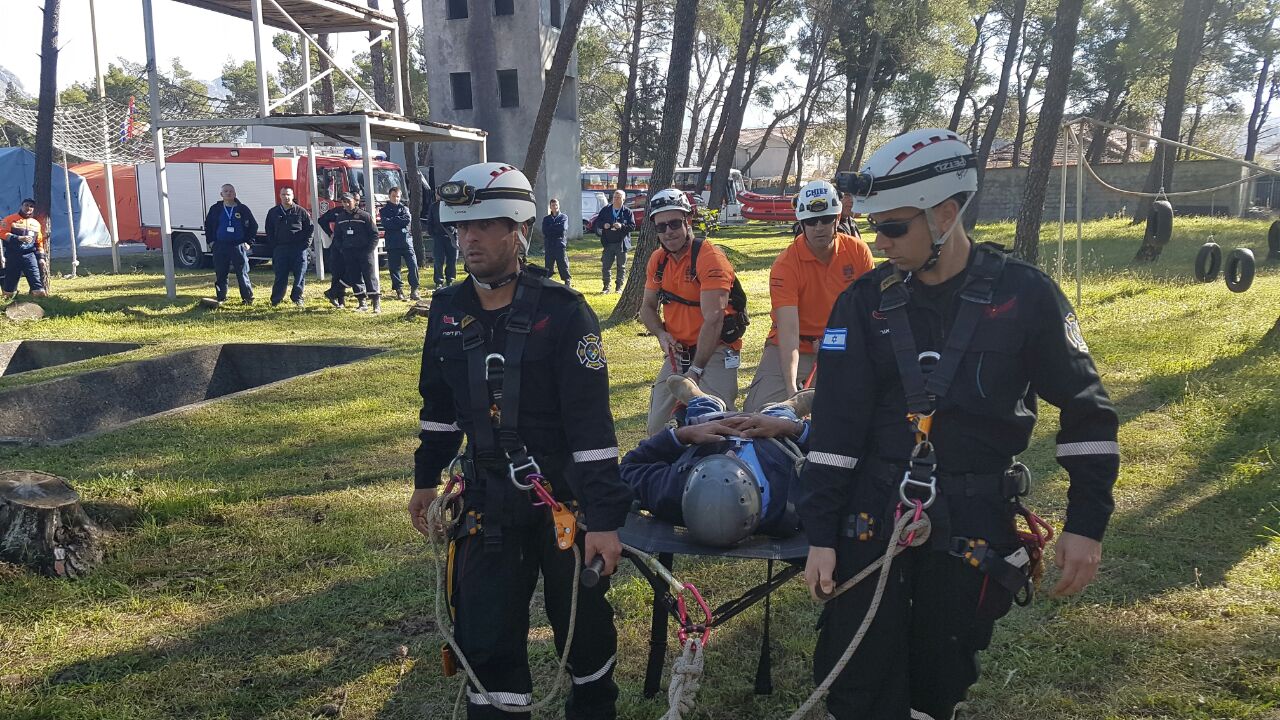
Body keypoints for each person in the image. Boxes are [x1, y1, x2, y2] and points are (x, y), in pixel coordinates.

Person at [799, 128, 1120, 720]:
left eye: (894, 227)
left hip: (973, 520)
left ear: (944, 213)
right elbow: (835, 433)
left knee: (939, 679)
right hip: (873, 516)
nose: (881, 242)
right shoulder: (862, 303)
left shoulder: (1025, 297)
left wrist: (1087, 523)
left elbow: (1086, 410)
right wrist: (821, 535)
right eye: (875, 228)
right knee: (854, 681)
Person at [408, 161, 630, 720]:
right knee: (484, 639)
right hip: (485, 503)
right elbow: (438, 408)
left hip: (563, 503)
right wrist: (424, 480)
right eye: (460, 227)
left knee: (583, 632)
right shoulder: (447, 310)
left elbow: (592, 428)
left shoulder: (563, 313)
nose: (468, 238)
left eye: (483, 225)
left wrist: (603, 520)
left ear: (519, 229)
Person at [621, 375, 813, 547]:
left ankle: (700, 398)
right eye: (740, 466)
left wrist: (681, 435)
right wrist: (793, 429)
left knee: (703, 414)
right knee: (778, 414)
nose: (729, 454)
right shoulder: (793, 503)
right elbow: (836, 452)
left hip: (710, 431)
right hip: (773, 437)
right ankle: (789, 406)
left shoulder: (672, 492)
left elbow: (628, 467)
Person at [743, 180, 874, 412]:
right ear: (802, 223)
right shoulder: (786, 264)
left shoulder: (858, 252)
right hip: (794, 345)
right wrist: (792, 388)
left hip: (843, 341)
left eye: (826, 219)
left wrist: (840, 342)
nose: (819, 227)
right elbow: (789, 332)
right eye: (811, 221)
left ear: (837, 219)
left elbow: (867, 312)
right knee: (761, 412)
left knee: (856, 409)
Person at [639, 188, 747, 436]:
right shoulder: (658, 260)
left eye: (675, 223)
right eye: (661, 227)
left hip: (715, 350)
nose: (668, 232)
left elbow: (714, 317)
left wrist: (696, 371)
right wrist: (661, 334)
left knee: (718, 423)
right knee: (657, 429)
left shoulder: (710, 258)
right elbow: (646, 307)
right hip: (679, 352)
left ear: (688, 221)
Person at [318, 192, 382, 313]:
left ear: (354, 201)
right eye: (344, 202)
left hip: (364, 252)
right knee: (355, 277)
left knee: (369, 276)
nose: (346, 204)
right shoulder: (340, 217)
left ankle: (376, 303)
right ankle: (361, 302)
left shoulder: (364, 216)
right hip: (349, 253)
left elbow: (374, 234)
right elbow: (337, 236)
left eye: (348, 201)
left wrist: (369, 250)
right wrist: (342, 249)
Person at [203, 184, 257, 304]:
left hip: (238, 246)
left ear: (235, 193)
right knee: (221, 273)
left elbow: (253, 226)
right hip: (220, 245)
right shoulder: (215, 209)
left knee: (242, 272)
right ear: (221, 194)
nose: (228, 193)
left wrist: (248, 242)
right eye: (226, 191)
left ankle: (247, 298)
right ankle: (221, 297)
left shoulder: (242, 209)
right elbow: (208, 225)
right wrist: (211, 241)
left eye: (231, 191)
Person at [264, 187, 314, 307]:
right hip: (281, 249)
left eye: (288, 194)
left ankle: (297, 297)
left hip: (298, 249)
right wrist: (274, 245)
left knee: (300, 275)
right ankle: (276, 299)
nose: (286, 197)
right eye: (283, 194)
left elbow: (310, 229)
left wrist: (305, 245)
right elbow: (269, 229)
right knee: (280, 275)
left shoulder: (301, 211)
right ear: (280, 196)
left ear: (292, 196)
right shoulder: (273, 212)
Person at [0, 199, 49, 299]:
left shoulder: (35, 223)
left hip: (29, 255)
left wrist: (41, 258)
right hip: (13, 255)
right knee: (10, 284)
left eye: (31, 206)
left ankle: (41, 304)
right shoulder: (9, 219)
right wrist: (18, 238)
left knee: (36, 281)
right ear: (21, 206)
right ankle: (7, 304)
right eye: (26, 205)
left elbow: (39, 242)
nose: (28, 208)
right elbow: (2, 233)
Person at [380, 186, 421, 301]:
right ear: (389, 196)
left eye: (398, 196)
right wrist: (399, 221)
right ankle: (399, 291)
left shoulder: (405, 209)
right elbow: (386, 224)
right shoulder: (384, 210)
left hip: (406, 242)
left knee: (413, 266)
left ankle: (414, 290)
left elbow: (407, 220)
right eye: (393, 196)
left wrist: (394, 220)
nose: (396, 199)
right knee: (394, 268)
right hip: (392, 243)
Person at [591, 190, 634, 293]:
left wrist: (622, 226)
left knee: (621, 266)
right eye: (614, 197)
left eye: (618, 197)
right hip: (608, 243)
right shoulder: (606, 210)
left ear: (623, 199)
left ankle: (619, 287)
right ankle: (606, 287)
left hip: (621, 244)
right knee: (606, 266)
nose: (616, 199)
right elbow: (598, 222)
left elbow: (632, 226)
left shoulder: (627, 212)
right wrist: (603, 225)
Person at [425, 184, 458, 288]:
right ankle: (438, 281)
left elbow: (457, 220)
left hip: (451, 237)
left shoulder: (452, 205)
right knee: (438, 260)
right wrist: (433, 233)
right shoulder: (434, 206)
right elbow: (430, 221)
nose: (437, 196)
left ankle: (450, 280)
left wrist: (455, 231)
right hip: (438, 237)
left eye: (438, 193)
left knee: (452, 260)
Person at [541, 197, 571, 285]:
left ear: (559, 206)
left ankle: (567, 281)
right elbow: (545, 231)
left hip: (559, 244)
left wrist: (551, 227)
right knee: (548, 265)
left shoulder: (563, 217)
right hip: (549, 245)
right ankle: (547, 282)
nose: (555, 207)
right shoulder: (546, 219)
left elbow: (562, 229)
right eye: (553, 205)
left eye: (556, 205)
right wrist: (555, 227)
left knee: (562, 263)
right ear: (550, 207)